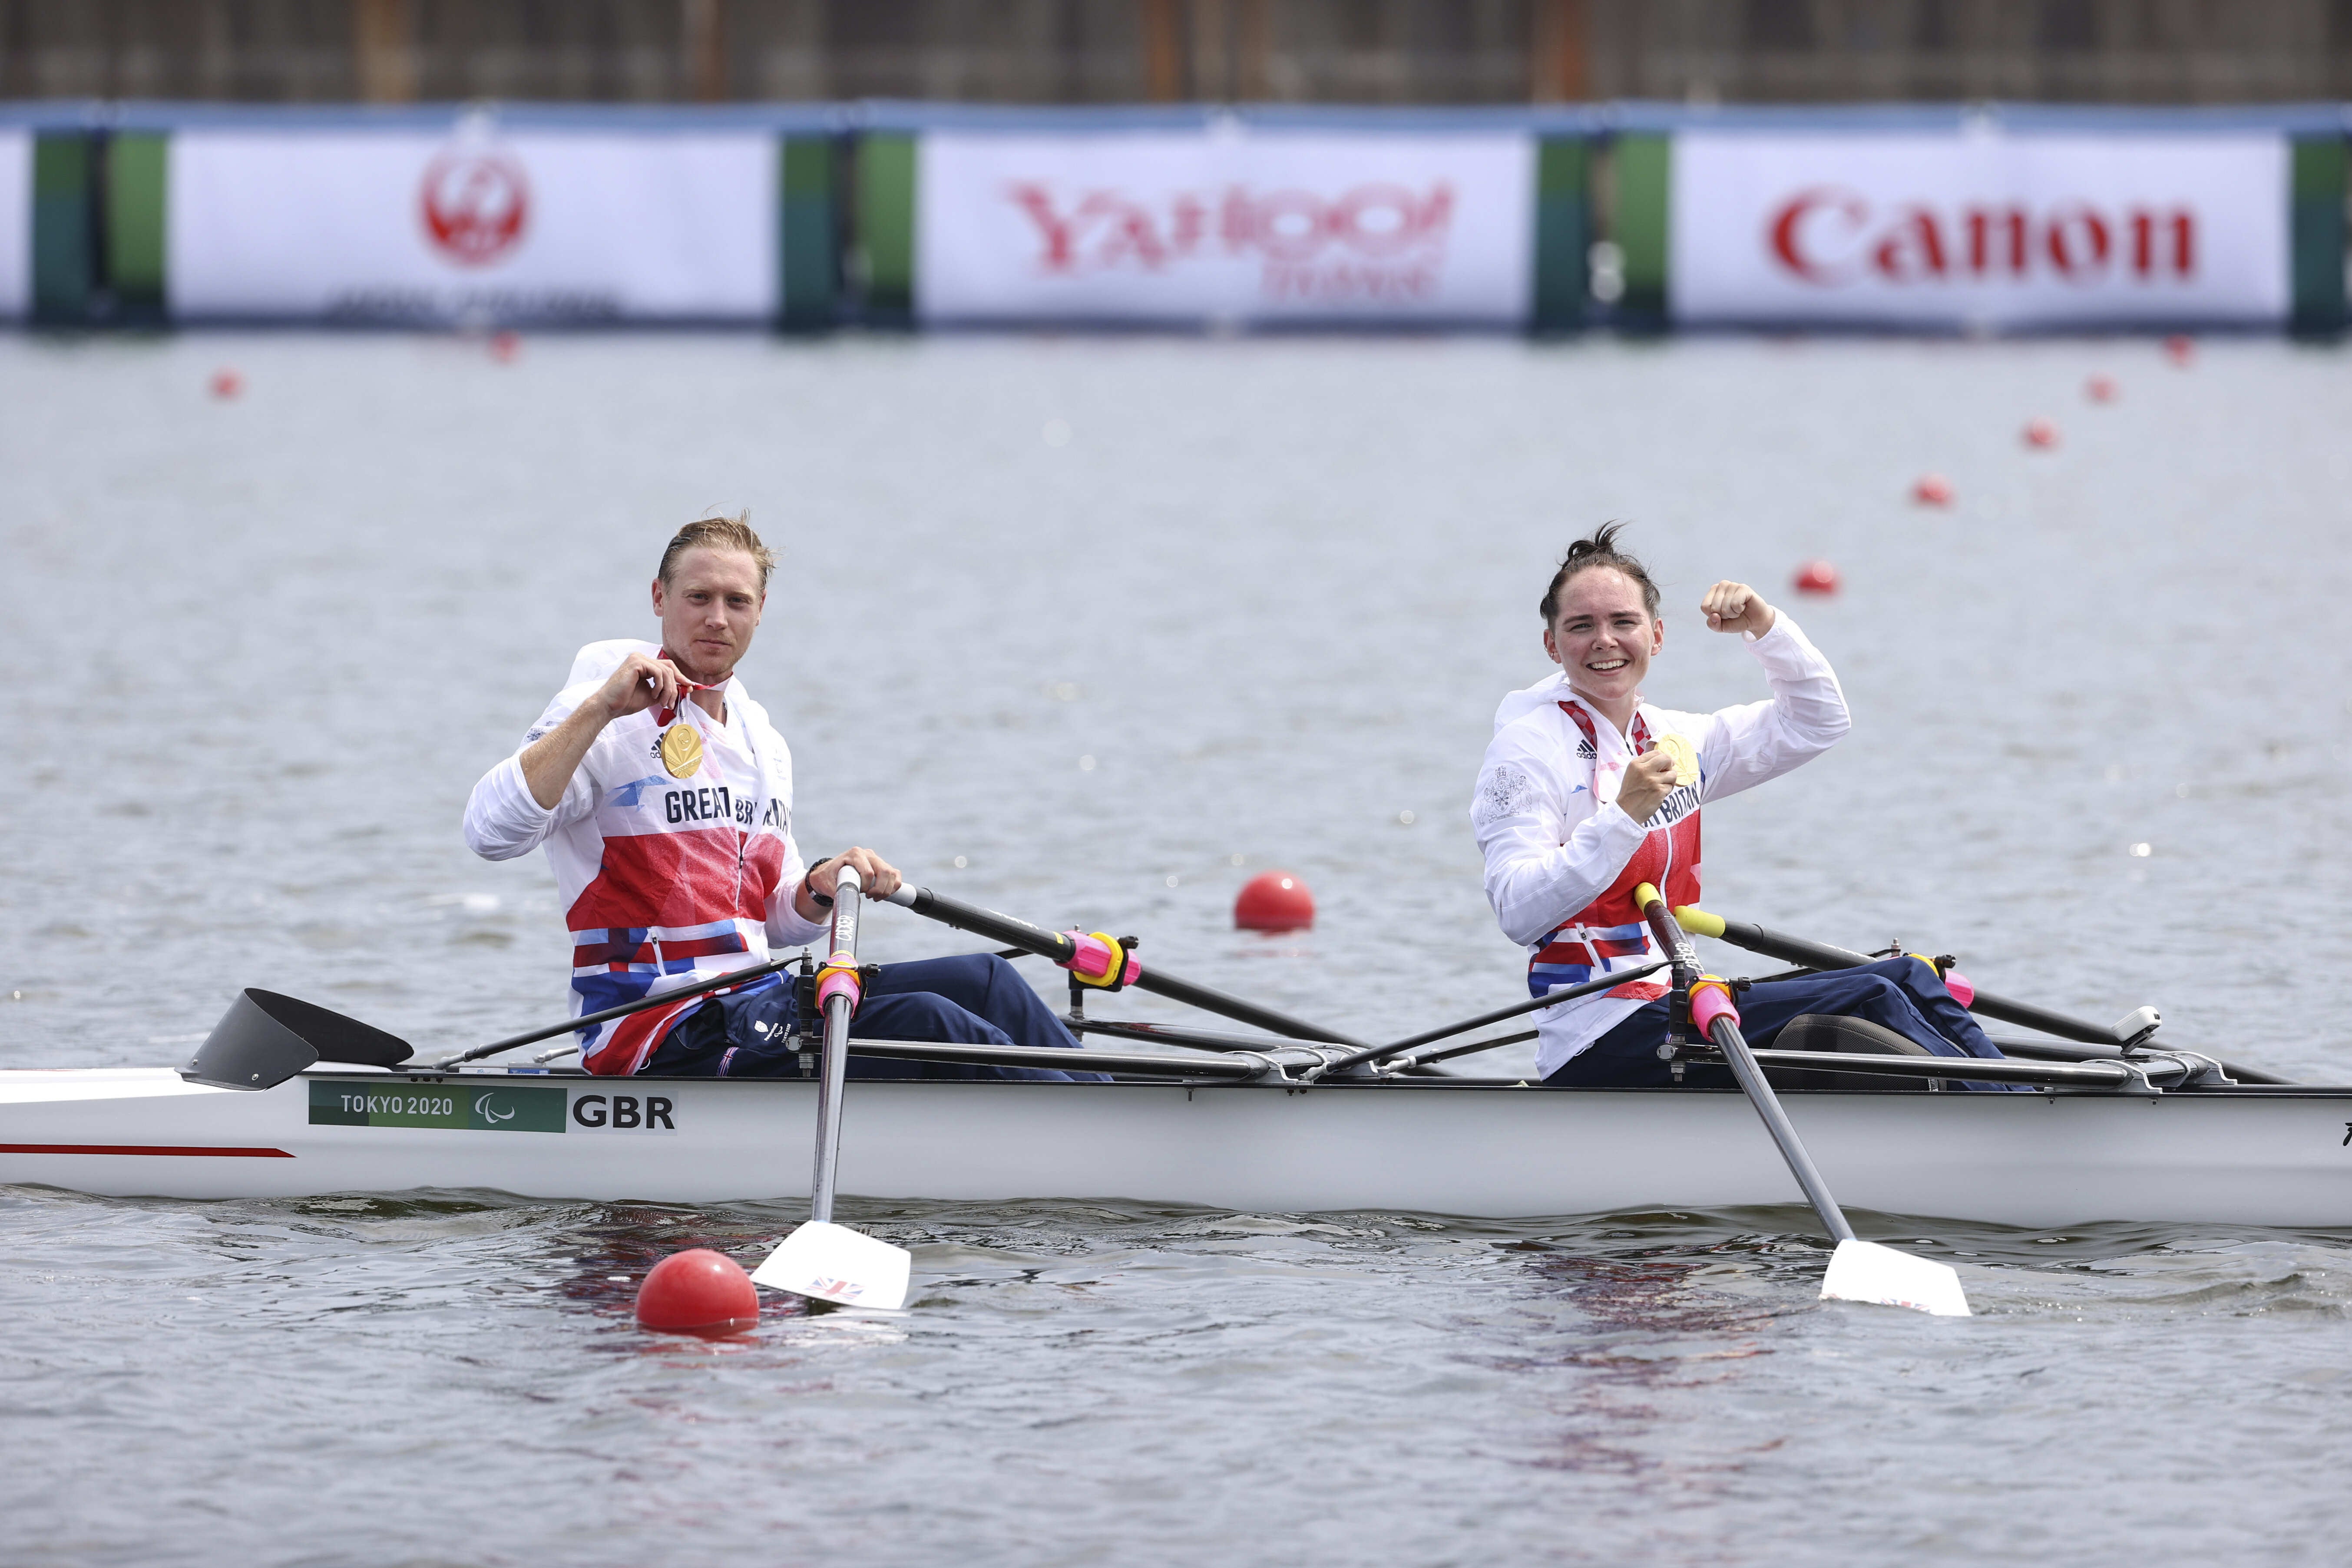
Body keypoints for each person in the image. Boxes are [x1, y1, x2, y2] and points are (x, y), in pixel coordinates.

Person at [462, 514, 1094, 1081]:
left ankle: (1103, 1112)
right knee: (933, 1020)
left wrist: (819, 884)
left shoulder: (762, 740)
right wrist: (601, 708)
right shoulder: (601, 711)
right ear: (659, 598)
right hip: (658, 1025)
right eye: (698, 597)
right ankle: (1089, 1149)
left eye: (736, 601)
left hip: (752, 998)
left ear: (760, 609)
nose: (717, 617)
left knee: (988, 980)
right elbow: (490, 832)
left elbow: (768, 919)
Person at [1471, 523, 2014, 1089]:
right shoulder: (1527, 753)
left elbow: (1817, 721)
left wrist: (1766, 628)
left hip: (1674, 1002)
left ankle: (2014, 1097)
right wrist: (1623, 817)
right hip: (1596, 1034)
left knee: (1905, 975)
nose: (1604, 639)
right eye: (1581, 626)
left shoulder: (1675, 739)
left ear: (1656, 636)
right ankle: (2005, 1116)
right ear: (1552, 645)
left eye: (1623, 622)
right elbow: (1517, 909)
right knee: (1872, 991)